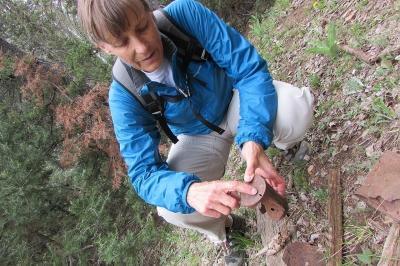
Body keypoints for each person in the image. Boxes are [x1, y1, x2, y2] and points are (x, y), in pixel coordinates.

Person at [77, 0, 313, 264]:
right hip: (197, 135)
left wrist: (253, 139)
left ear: (149, 11)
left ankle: (283, 145)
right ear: (105, 47)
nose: (142, 47)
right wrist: (189, 192)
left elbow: (248, 71)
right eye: (123, 42)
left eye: (143, 27)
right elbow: (143, 174)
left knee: (294, 110)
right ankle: (227, 228)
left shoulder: (184, 16)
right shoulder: (124, 93)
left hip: (233, 98)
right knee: (172, 209)